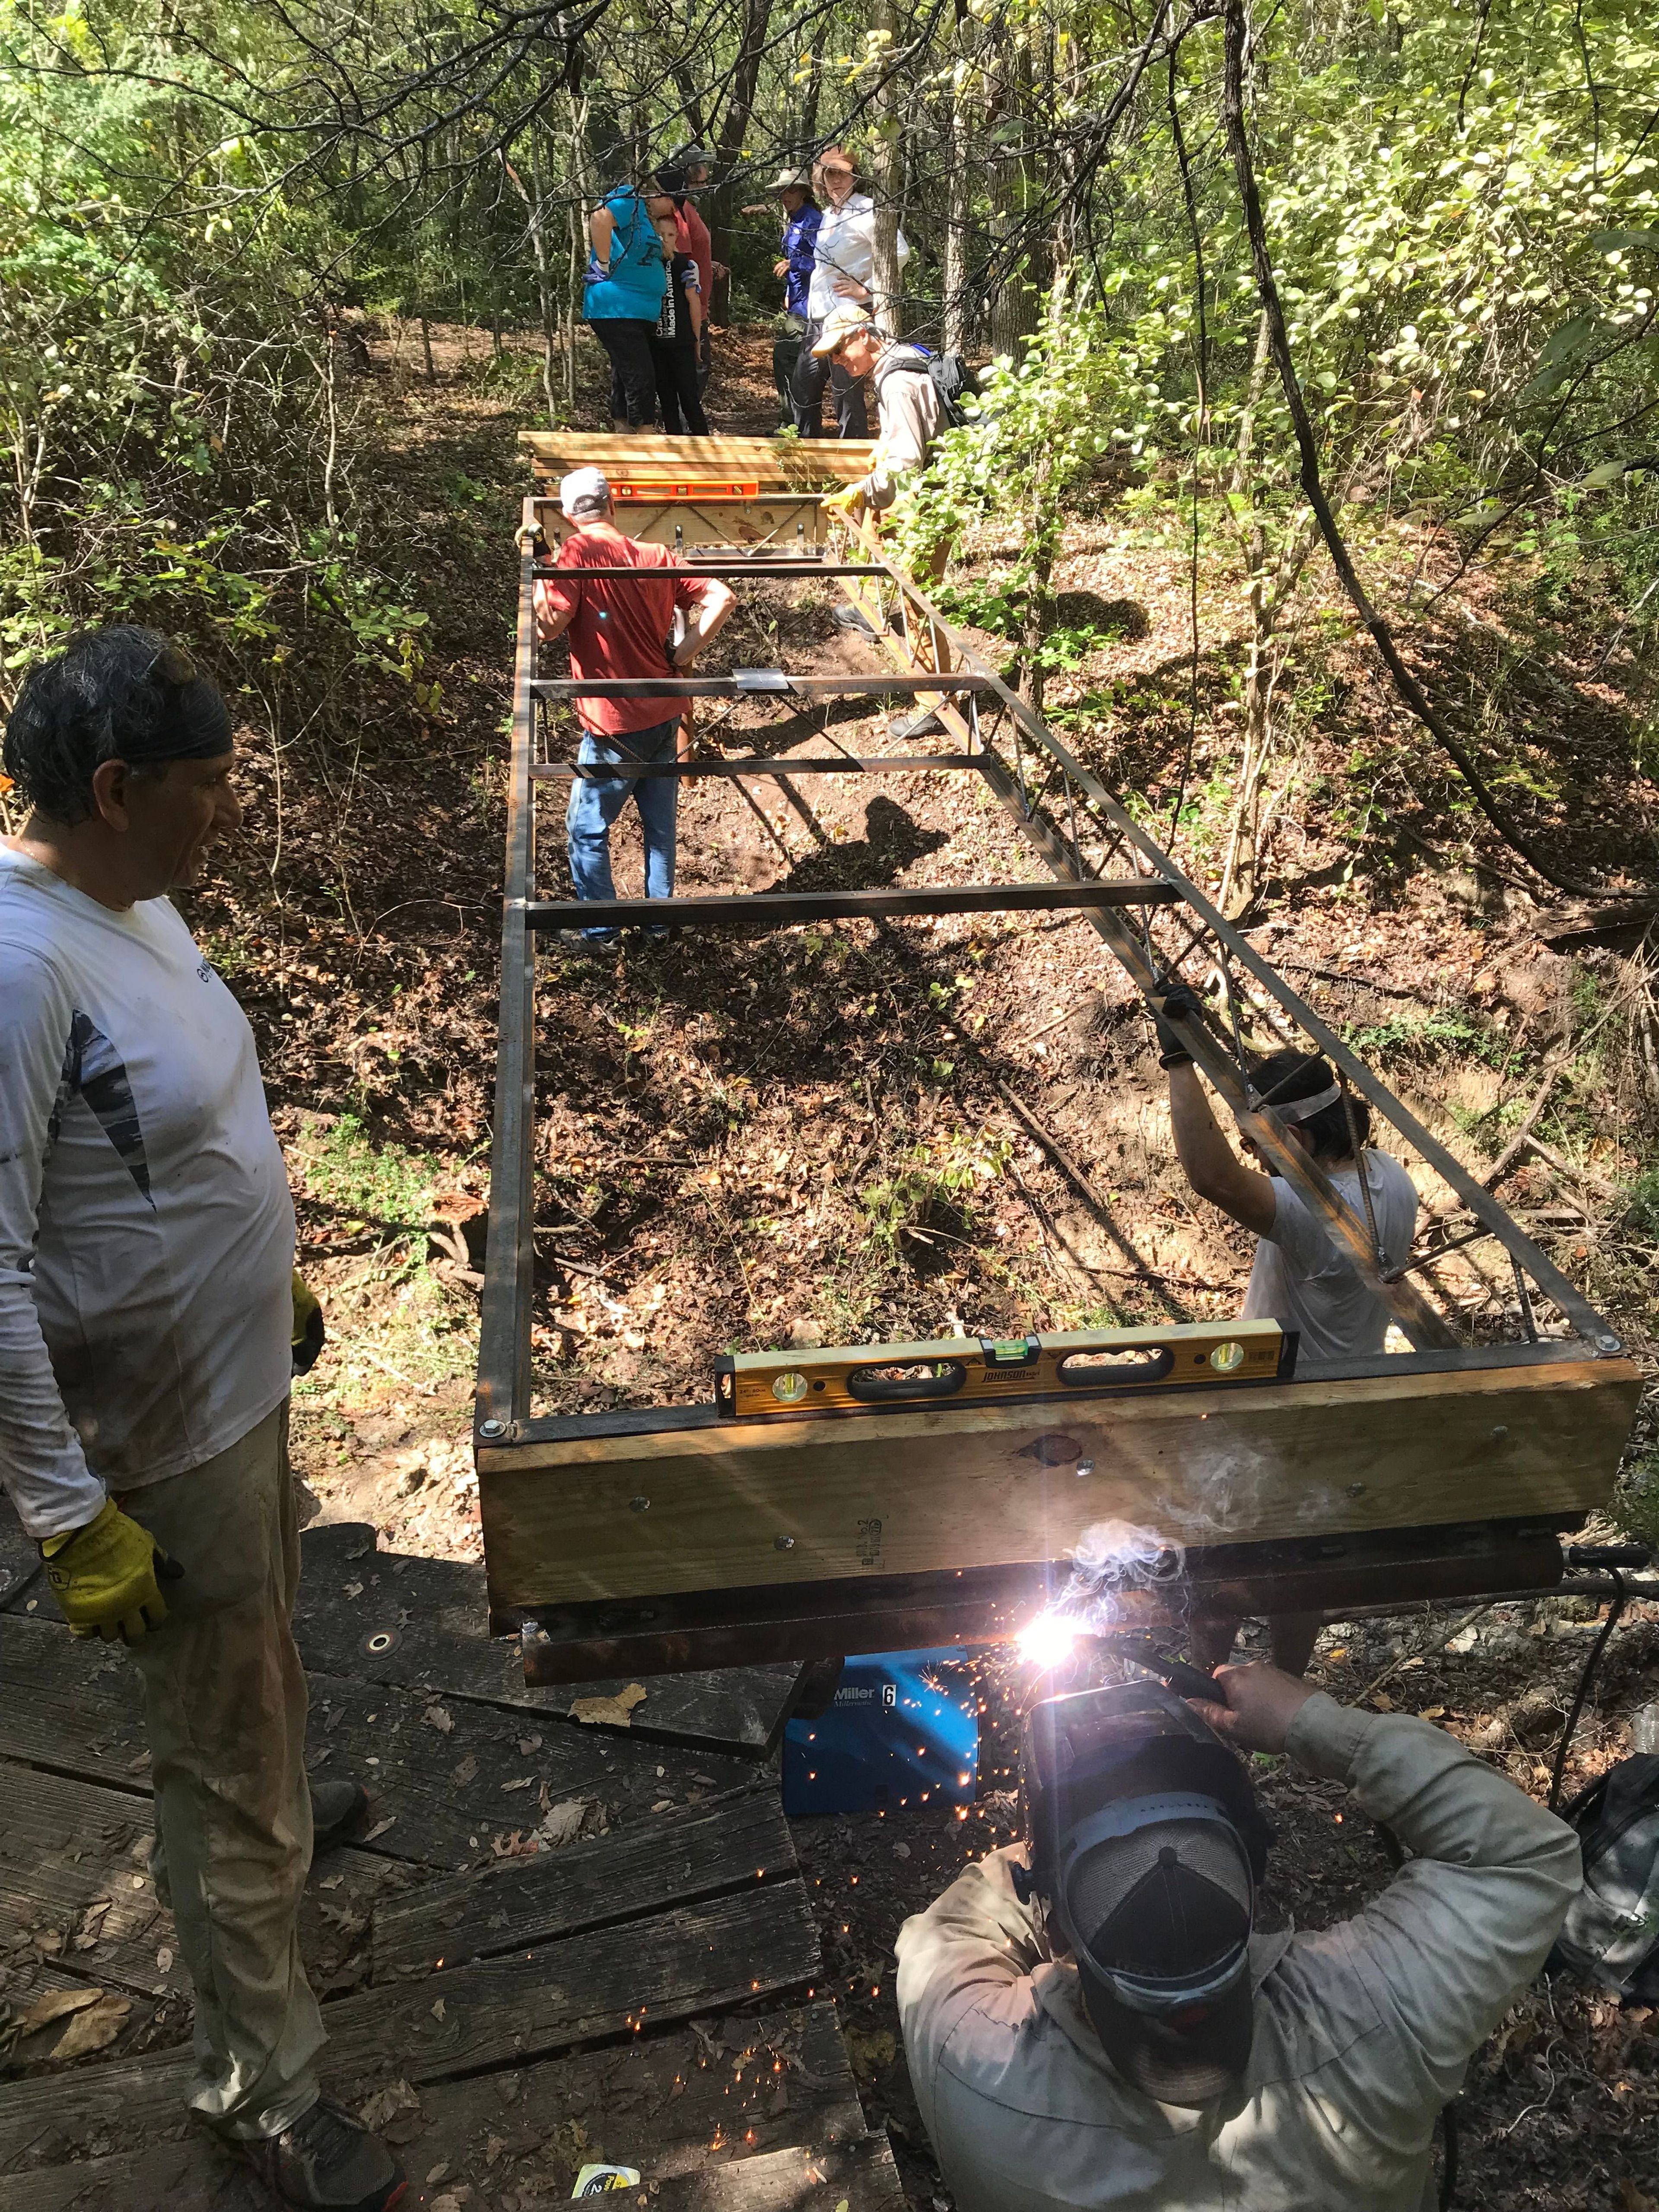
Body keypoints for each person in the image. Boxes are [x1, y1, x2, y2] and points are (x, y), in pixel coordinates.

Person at [0, 628, 403, 2211]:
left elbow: (180, 1121)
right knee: (219, 1762)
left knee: (264, 1672)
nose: (227, 814)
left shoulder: (128, 902)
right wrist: (66, 1512)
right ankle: (263, 2088)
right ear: (112, 789)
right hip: (152, 1451)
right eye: (206, 788)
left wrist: (273, 1270)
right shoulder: (22, 968)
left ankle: (287, 1829)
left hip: (234, 1394)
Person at [896, 1664, 1581, 2212]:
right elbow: (1522, 1857)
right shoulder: (1383, 2013)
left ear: (1051, 1919)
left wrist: (1066, 1851)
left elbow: (950, 1933)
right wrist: (1316, 1724)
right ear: (1252, 1877)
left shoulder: (975, 2065)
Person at [1154, 999, 1421, 1674]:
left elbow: (1211, 1178)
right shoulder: (1390, 1175)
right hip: (1344, 1401)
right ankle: (1286, 1692)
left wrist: (1178, 1063)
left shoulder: (1318, 1215)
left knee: (1226, 1557)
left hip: (1282, 1406)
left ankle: (1207, 1689)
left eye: (1263, 1146)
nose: (1254, 1159)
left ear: (1297, 1140)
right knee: (1302, 1563)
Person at [534, 469, 735, 943]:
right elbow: (722, 597)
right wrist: (682, 656)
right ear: (614, 506)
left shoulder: (577, 552)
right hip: (664, 711)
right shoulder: (656, 554)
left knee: (587, 830)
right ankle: (658, 925)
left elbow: (549, 627)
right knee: (659, 827)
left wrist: (542, 571)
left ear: (569, 515)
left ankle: (601, 931)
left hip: (614, 723)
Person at [791, 146, 910, 438]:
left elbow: (900, 252)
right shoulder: (830, 214)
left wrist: (866, 288)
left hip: (847, 317)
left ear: (855, 176)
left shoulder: (866, 209)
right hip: (818, 317)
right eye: (831, 173)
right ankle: (805, 458)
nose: (837, 179)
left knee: (847, 395)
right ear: (821, 178)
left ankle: (855, 459)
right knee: (802, 388)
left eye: (844, 173)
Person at [585, 179, 674, 432]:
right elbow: (601, 218)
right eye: (672, 200)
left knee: (626, 376)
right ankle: (645, 436)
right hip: (617, 307)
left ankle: (623, 434)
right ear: (659, 192)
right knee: (641, 375)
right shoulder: (630, 198)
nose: (673, 209)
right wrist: (602, 264)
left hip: (638, 311)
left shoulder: (648, 219)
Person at [747, 168, 821, 426]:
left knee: (786, 355)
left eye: (790, 190)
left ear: (802, 192)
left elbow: (824, 263)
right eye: (781, 191)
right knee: (796, 361)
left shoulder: (813, 220)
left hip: (813, 305)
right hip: (797, 302)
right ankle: (798, 422)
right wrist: (789, 292)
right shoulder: (794, 221)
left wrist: (794, 264)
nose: (784, 196)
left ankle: (792, 422)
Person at [654, 146, 726, 395]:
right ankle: (684, 430)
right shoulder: (677, 211)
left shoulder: (687, 208)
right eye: (704, 167)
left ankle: (683, 426)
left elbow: (691, 254)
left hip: (696, 306)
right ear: (691, 172)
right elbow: (676, 259)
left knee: (696, 371)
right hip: (689, 309)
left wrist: (708, 264)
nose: (707, 173)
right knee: (694, 371)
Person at [648, 208, 710, 437]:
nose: (665, 239)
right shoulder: (648, 265)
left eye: (671, 235)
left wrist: (696, 340)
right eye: (660, 234)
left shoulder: (686, 265)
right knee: (666, 401)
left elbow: (694, 303)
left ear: (678, 237)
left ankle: (705, 447)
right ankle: (677, 448)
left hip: (682, 341)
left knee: (689, 398)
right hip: (657, 344)